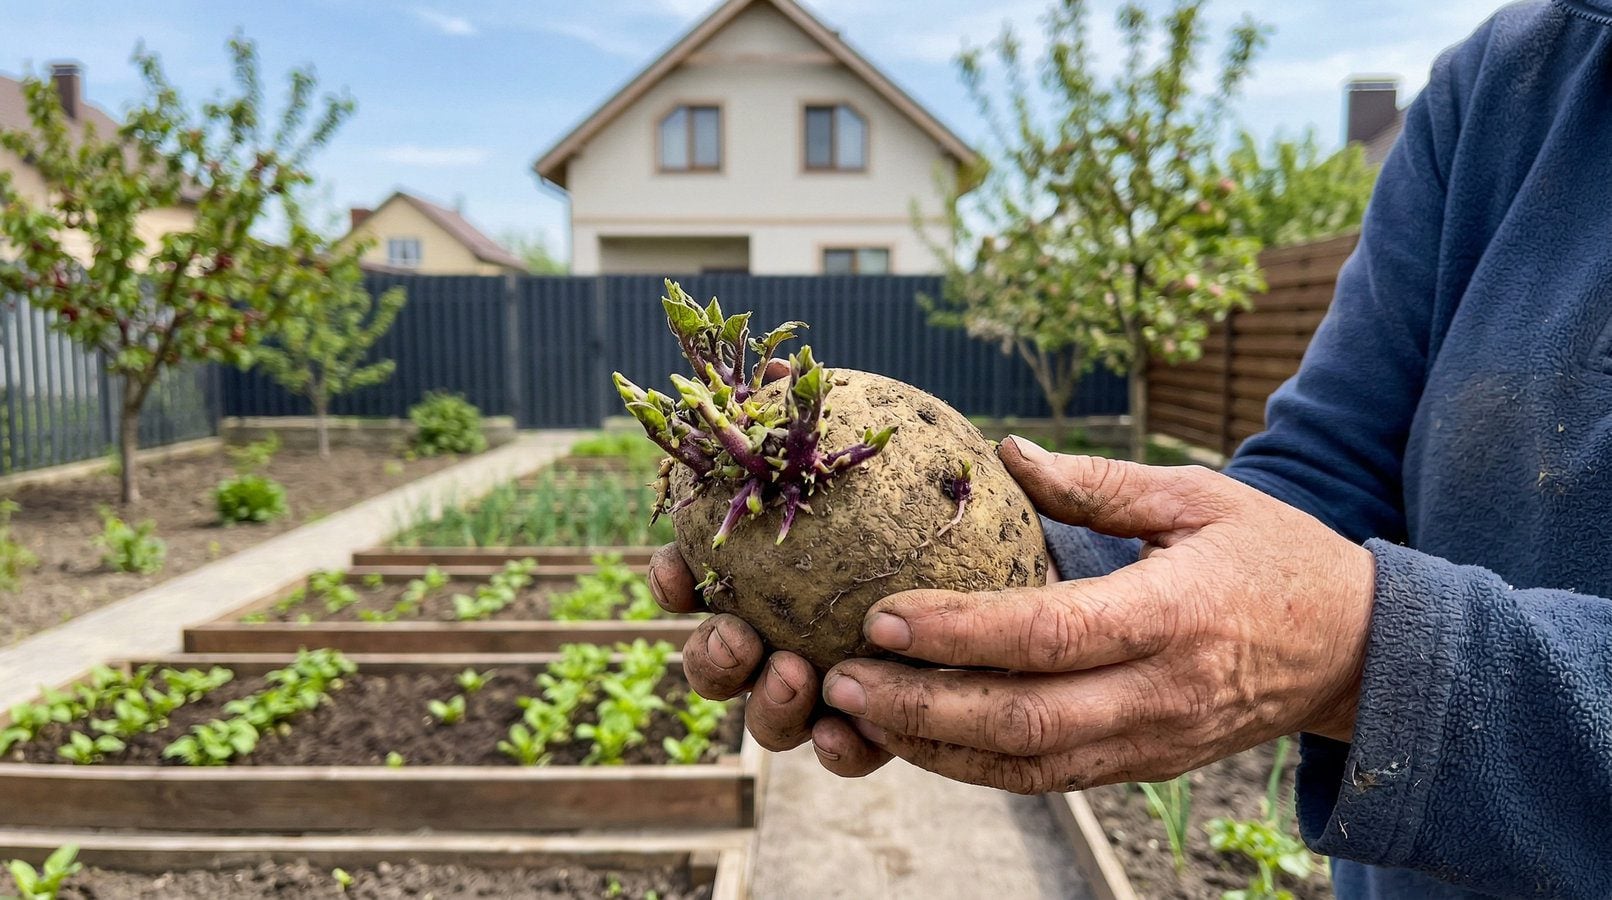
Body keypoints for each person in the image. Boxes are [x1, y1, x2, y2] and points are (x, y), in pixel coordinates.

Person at [649, 1, 1612, 896]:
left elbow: (1354, 616)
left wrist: (1369, 656)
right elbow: (1327, 472)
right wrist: (1053, 574)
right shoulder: (1505, 83)